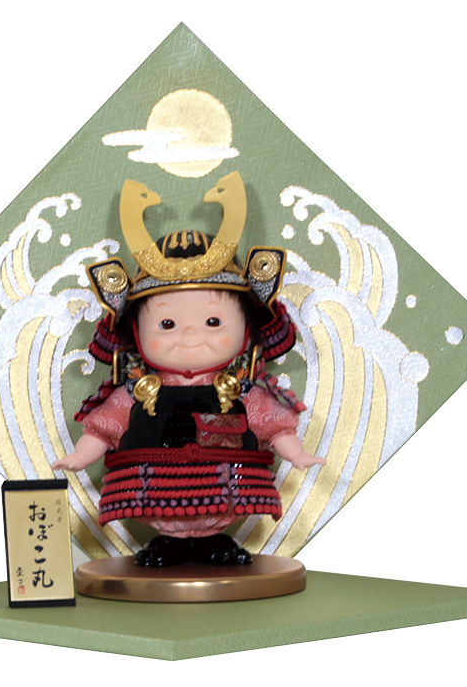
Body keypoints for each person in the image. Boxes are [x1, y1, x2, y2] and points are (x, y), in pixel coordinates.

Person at [52, 173, 325, 566]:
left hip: (226, 483)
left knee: (222, 510)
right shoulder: (138, 390)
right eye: (167, 324)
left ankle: (215, 541)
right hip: (155, 485)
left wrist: (296, 452)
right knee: (162, 517)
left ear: (245, 329)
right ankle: (167, 543)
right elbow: (104, 427)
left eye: (213, 322)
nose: (191, 335)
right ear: (136, 332)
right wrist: (80, 456)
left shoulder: (241, 389)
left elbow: (273, 425)